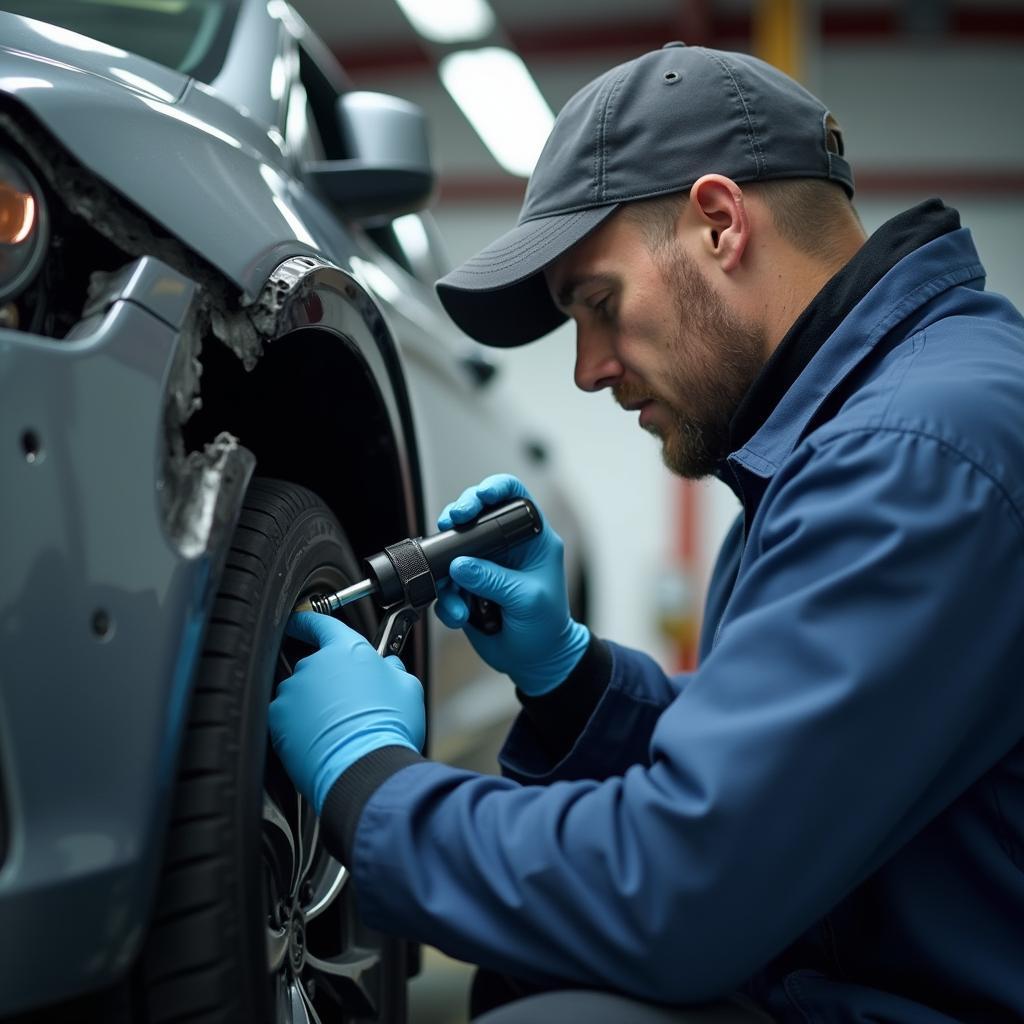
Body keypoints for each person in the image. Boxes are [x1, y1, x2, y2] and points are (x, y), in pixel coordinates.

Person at [269, 43, 1024, 1023]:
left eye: (597, 303)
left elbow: (677, 889)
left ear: (719, 223)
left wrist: (367, 780)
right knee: (537, 975)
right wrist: (574, 680)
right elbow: (783, 781)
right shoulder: (874, 426)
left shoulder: (914, 455)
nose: (585, 369)